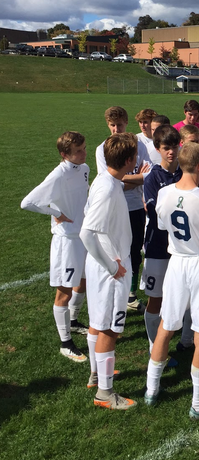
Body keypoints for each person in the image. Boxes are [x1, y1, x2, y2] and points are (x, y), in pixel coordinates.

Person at [144, 143, 199, 417]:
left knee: (166, 325)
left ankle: (151, 390)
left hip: (176, 263)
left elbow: (164, 226)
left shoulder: (164, 193)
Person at [80, 132, 138, 410]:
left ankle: (96, 374)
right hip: (110, 267)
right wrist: (113, 266)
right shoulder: (107, 188)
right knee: (108, 330)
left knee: (97, 322)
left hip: (102, 262)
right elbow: (87, 233)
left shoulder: (107, 181)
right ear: (130, 160)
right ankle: (105, 393)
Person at [21, 131, 89, 362]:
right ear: (64, 154)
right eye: (78, 152)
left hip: (82, 237)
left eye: (84, 149)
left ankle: (74, 321)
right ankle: (65, 343)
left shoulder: (85, 169)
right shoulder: (57, 175)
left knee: (83, 282)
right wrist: (55, 212)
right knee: (64, 291)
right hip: (66, 241)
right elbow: (27, 203)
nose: (83, 154)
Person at [96, 106, 151, 313]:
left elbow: (150, 172)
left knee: (135, 253)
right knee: (115, 254)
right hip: (114, 210)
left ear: (127, 123)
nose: (116, 129)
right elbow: (111, 181)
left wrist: (127, 179)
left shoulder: (138, 145)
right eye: (112, 125)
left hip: (136, 207)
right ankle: (112, 295)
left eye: (120, 124)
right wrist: (138, 178)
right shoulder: (102, 148)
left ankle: (130, 295)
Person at [142, 126, 182, 352]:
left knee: (180, 300)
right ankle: (153, 347)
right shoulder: (153, 178)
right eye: (166, 148)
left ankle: (183, 342)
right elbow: (153, 210)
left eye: (174, 147)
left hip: (181, 248)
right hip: (157, 246)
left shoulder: (186, 174)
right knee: (156, 299)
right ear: (157, 149)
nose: (171, 152)